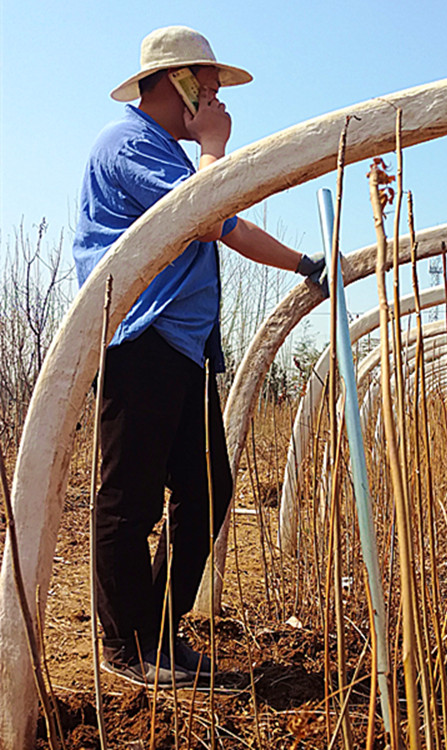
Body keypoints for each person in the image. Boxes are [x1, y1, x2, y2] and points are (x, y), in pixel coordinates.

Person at [72, 25, 326, 687]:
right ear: (174, 82)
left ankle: (158, 630)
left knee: (208, 492)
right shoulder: (125, 141)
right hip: (138, 341)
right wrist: (215, 148)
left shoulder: (175, 160)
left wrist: (306, 266)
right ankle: (127, 647)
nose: (215, 96)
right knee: (128, 502)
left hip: (182, 349)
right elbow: (206, 214)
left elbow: (227, 224)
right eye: (206, 84)